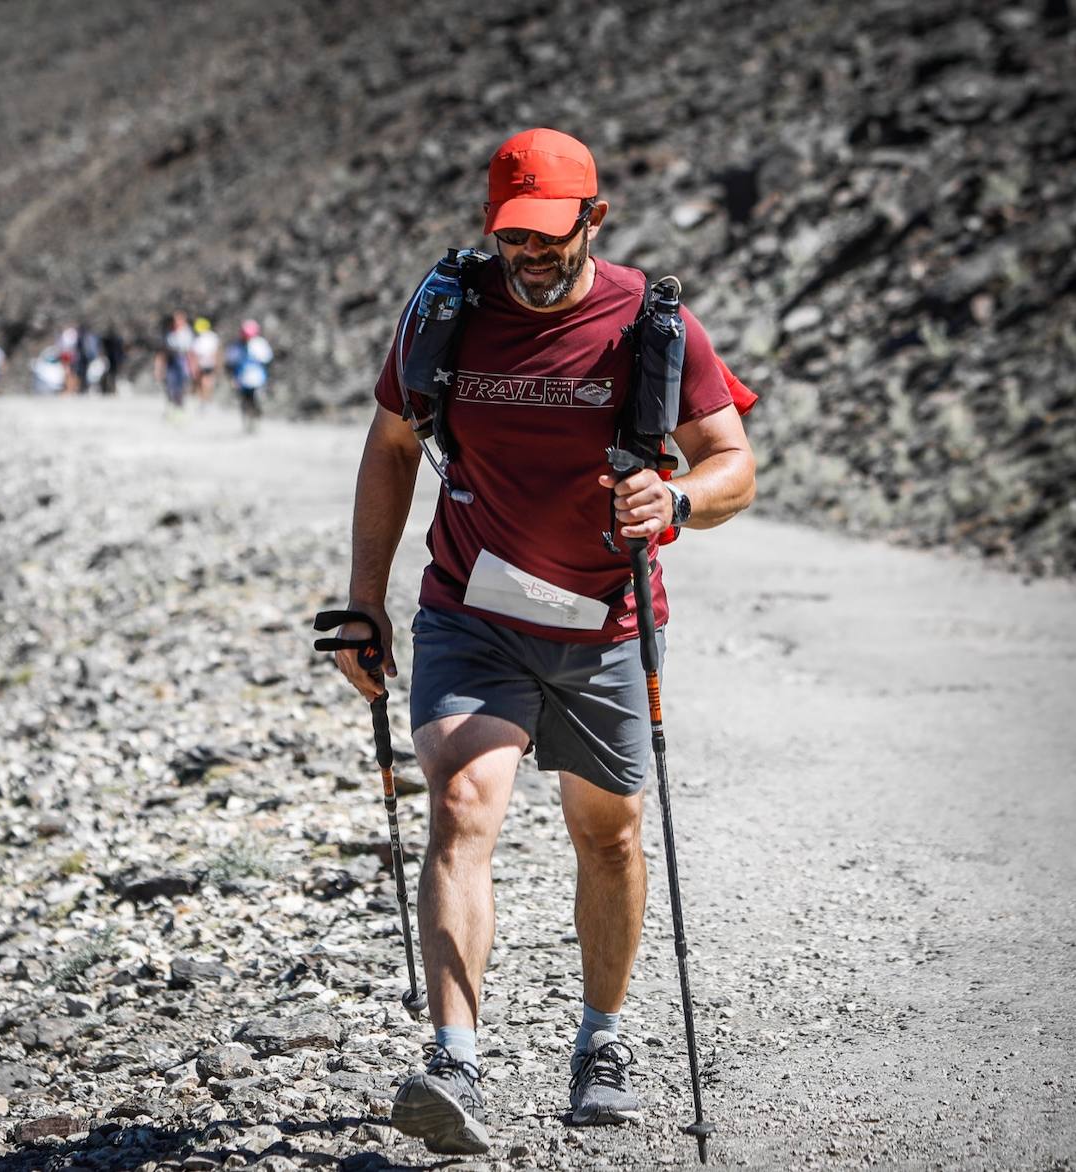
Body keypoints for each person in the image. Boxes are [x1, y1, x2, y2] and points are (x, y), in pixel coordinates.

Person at [331, 128, 756, 1156]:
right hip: (471, 612)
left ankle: (601, 1041)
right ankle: (454, 1058)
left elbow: (732, 459)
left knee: (606, 833)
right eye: (513, 233)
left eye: (550, 234)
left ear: (592, 220)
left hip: (606, 618)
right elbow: (391, 448)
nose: (530, 253)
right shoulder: (447, 314)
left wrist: (682, 501)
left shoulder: (651, 324)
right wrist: (364, 603)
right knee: (462, 801)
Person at [225, 319, 273, 432]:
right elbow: (230, 365)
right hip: (241, 380)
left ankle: (256, 420)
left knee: (257, 401)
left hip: (258, 379)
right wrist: (232, 379)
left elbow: (268, 361)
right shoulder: (236, 346)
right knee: (245, 401)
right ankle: (246, 422)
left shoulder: (260, 344)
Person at [154, 311, 195, 409]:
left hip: (182, 360)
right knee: (170, 384)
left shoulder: (188, 333)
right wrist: (158, 368)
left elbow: (191, 352)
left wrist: (193, 367)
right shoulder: (168, 332)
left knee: (181, 386)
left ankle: (179, 407)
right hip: (171, 360)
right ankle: (171, 406)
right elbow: (162, 352)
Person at [190, 317, 220, 405]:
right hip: (200, 364)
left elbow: (216, 352)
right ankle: (202, 400)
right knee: (200, 383)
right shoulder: (197, 338)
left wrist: (216, 363)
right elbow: (194, 354)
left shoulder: (212, 337)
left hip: (208, 364)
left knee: (206, 382)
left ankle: (206, 400)